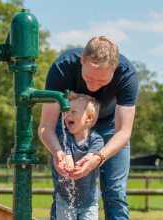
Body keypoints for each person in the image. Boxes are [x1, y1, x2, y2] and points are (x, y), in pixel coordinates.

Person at [38, 36, 139, 220]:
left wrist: (99, 157)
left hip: (110, 127)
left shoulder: (127, 75)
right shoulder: (63, 67)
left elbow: (124, 131)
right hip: (70, 125)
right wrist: (58, 152)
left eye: (101, 81)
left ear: (114, 69)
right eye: (89, 77)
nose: (92, 86)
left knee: (115, 191)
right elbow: (46, 126)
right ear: (82, 59)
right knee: (63, 191)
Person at [56, 91, 103, 220]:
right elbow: (68, 158)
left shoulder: (96, 140)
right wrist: (69, 166)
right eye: (66, 112)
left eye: (73, 112)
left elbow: (89, 159)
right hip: (65, 199)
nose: (67, 115)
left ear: (89, 118)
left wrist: (77, 166)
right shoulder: (64, 138)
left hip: (89, 202)